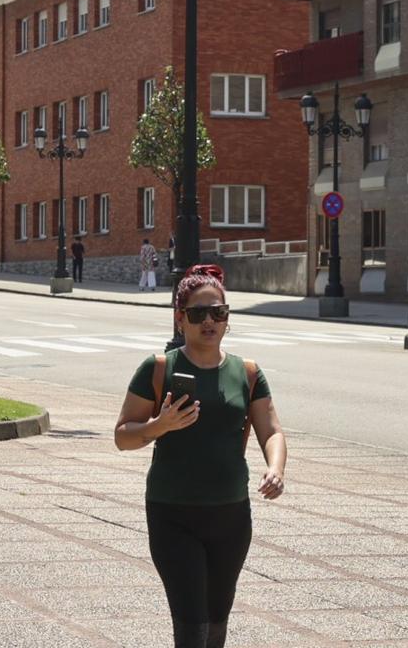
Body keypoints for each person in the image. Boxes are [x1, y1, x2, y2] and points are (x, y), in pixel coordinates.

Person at [114, 264, 286, 648]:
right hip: (173, 513)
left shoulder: (248, 372)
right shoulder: (159, 369)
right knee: (192, 623)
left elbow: (271, 429)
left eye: (218, 312)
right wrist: (161, 425)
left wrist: (275, 469)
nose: (209, 321)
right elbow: (123, 436)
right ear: (181, 319)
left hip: (231, 515)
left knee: (217, 619)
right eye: (198, 313)